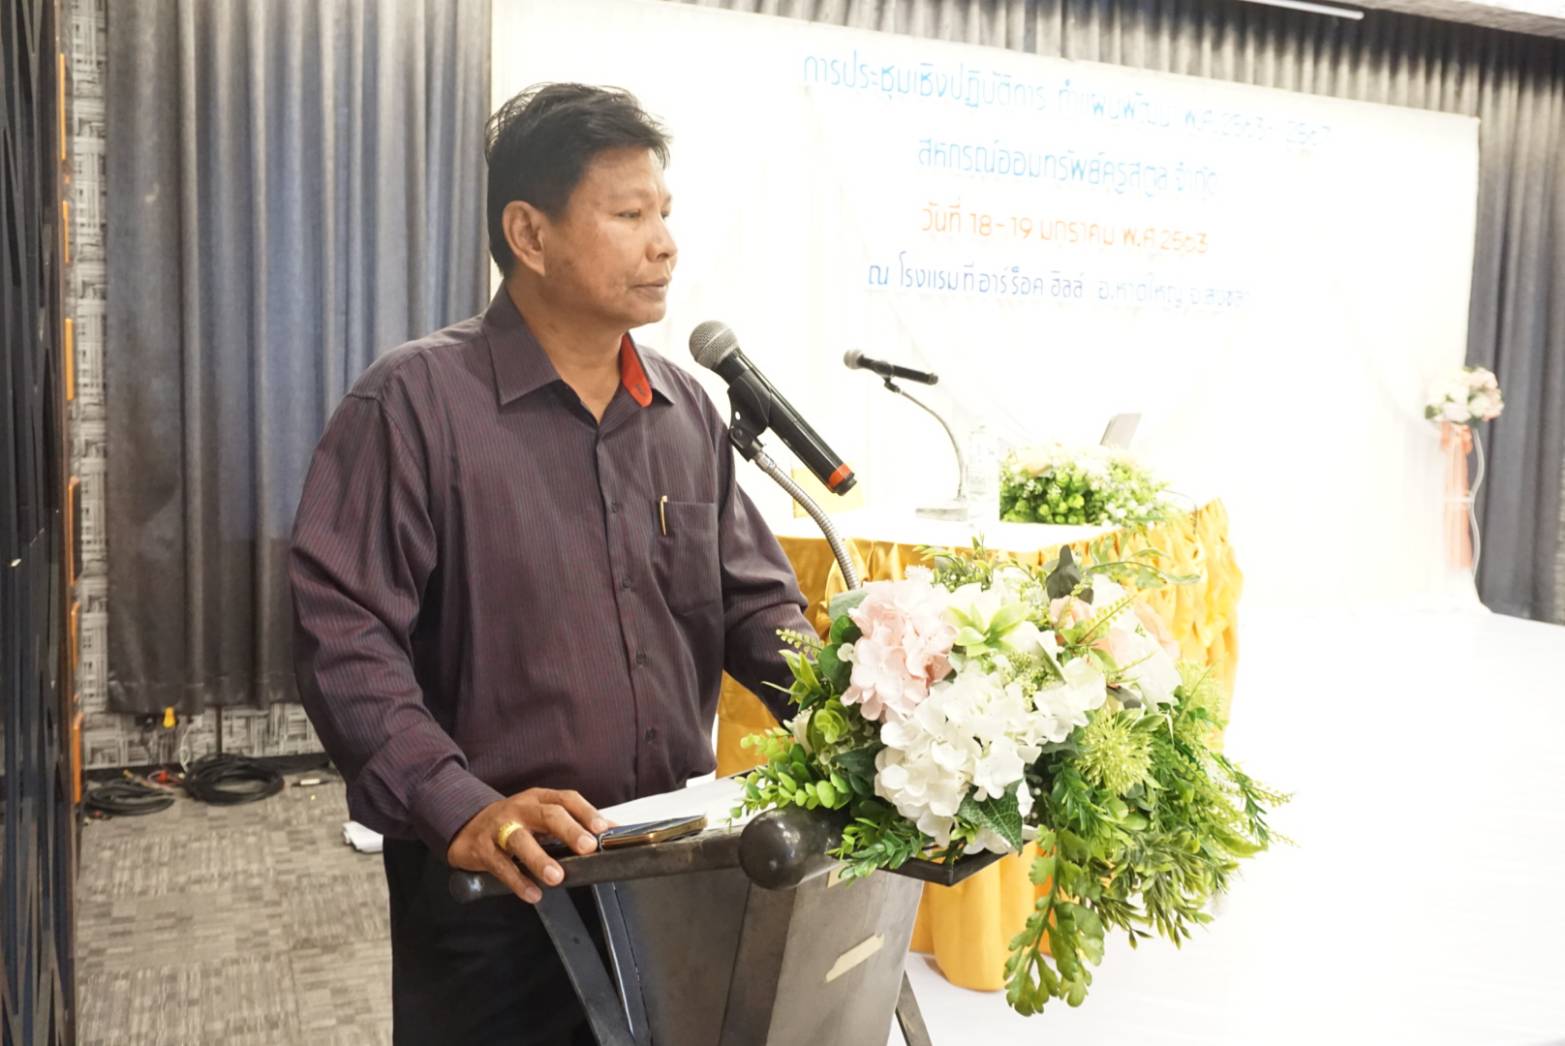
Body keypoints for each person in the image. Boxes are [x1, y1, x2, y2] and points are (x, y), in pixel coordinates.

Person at [288, 83, 811, 1044]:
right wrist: (456, 804)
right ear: (529, 235)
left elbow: (754, 608)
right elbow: (343, 633)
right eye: (628, 216)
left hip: (674, 872)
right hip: (502, 887)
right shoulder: (413, 403)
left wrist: (867, 710)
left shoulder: (684, 412)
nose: (664, 244)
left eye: (664, 213)